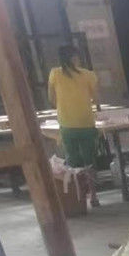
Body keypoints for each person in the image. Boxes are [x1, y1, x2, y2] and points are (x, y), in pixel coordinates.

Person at [48, 45, 100, 207]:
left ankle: (78, 199)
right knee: (89, 162)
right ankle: (94, 196)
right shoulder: (88, 75)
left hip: (67, 125)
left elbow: (51, 99)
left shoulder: (55, 74)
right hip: (86, 124)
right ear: (74, 57)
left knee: (72, 164)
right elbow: (96, 99)